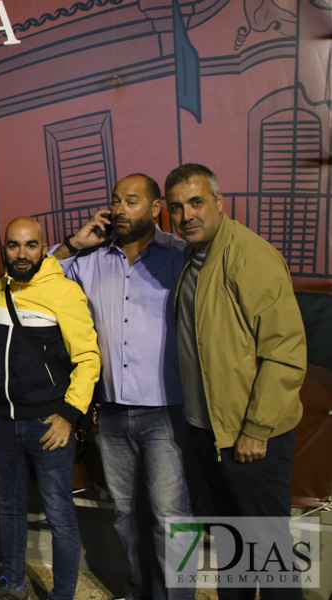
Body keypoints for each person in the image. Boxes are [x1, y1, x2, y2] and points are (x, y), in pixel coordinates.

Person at [166, 164, 306, 600]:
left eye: (196, 202)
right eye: (176, 207)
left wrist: (255, 430)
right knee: (232, 553)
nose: (187, 214)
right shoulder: (194, 258)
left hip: (249, 438)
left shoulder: (249, 257)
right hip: (209, 434)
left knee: (271, 556)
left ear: (219, 203)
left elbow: (284, 352)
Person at [52, 174, 193, 600]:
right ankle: (139, 590)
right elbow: (42, 274)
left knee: (172, 516)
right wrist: (75, 243)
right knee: (127, 514)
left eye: (131, 200)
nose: (119, 208)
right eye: (115, 200)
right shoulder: (92, 260)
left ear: (155, 209)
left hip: (167, 412)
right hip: (111, 413)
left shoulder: (180, 256)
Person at [0, 217, 100, 600]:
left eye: (31, 245)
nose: (22, 253)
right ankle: (13, 585)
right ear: (5, 250)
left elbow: (89, 359)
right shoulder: (1, 288)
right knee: (9, 508)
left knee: (60, 515)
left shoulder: (64, 292)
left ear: (43, 247)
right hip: (4, 422)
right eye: (14, 245)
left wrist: (68, 414)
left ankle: (62, 595)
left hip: (47, 423)